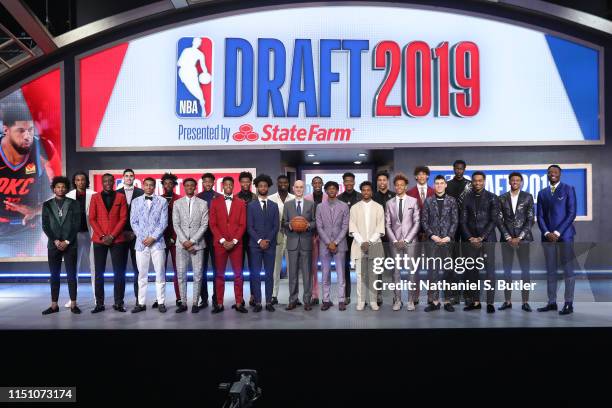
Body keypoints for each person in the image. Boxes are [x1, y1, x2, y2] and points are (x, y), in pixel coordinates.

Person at [0, 103, 50, 257]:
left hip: (26, 230)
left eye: (30, 130)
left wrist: (35, 210)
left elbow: (59, 197)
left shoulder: (41, 152)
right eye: (21, 131)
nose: (27, 136)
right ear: (6, 130)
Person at [536, 165, 577, 315]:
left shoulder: (568, 189)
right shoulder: (542, 193)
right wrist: (547, 232)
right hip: (547, 238)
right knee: (551, 270)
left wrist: (557, 232)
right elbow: (539, 216)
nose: (552, 174)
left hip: (565, 236)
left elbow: (571, 213)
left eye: (555, 172)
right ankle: (552, 302)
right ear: (547, 174)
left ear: (560, 174)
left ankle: (568, 303)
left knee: (568, 270)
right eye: (550, 172)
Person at [460, 171, 500, 314]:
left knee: (490, 272)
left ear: (484, 181)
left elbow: (494, 220)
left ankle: (490, 303)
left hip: (487, 239)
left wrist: (481, 237)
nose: (477, 183)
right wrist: (470, 237)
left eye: (480, 180)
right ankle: (475, 302)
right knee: (472, 272)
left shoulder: (492, 198)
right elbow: (462, 221)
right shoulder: (466, 198)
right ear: (472, 182)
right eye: (475, 181)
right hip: (470, 240)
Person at [41, 176, 82, 315]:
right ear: (54, 188)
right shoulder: (47, 205)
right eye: (58, 187)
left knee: (71, 275)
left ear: (66, 188)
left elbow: (77, 224)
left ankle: (74, 304)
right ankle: (54, 305)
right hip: (53, 245)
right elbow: (45, 225)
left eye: (63, 187)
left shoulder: (74, 203)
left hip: (70, 244)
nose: (60, 189)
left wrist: (67, 241)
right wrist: (55, 240)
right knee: (54, 275)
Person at [89, 173, 129, 313]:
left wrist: (112, 235)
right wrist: (103, 236)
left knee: (119, 273)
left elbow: (123, 218)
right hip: (99, 240)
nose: (107, 183)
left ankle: (119, 303)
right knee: (99, 273)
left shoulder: (121, 197)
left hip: (117, 239)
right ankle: (99, 304)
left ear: (113, 182)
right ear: (102, 182)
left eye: (110, 180)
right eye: (105, 180)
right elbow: (92, 218)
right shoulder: (94, 197)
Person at [209, 176, 247, 314]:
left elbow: (243, 224)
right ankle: (219, 303)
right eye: (226, 185)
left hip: (236, 244)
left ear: (233, 186)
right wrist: (222, 241)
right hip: (220, 244)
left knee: (238, 274)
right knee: (219, 274)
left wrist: (234, 241)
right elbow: (212, 224)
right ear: (222, 186)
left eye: (231, 185)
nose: (229, 187)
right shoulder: (215, 202)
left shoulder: (241, 202)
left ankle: (238, 302)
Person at [420, 175, 459, 312]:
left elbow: (455, 221)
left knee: (448, 272)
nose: (439, 185)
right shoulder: (428, 201)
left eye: (442, 183)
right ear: (434, 185)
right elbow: (424, 221)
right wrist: (433, 236)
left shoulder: (452, 201)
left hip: (448, 242)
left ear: (445, 185)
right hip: (433, 242)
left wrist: (449, 236)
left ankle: (448, 301)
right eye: (437, 183)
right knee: (433, 273)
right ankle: (435, 302)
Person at [130, 178, 168, 313]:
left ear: (154, 187)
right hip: (141, 243)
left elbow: (163, 223)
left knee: (160, 273)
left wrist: (152, 238)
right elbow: (133, 222)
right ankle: (141, 303)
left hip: (157, 243)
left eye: (151, 185)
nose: (148, 187)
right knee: (142, 274)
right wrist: (143, 238)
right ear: (143, 186)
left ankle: (161, 302)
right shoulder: (135, 201)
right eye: (146, 185)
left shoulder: (162, 201)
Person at [498, 172, 534, 312]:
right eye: (512, 180)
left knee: (525, 271)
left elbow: (530, 219)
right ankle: (508, 301)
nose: (515, 182)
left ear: (521, 182)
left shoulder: (528, 197)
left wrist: (519, 237)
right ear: (509, 182)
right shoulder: (502, 198)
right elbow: (499, 221)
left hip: (523, 240)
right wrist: (508, 237)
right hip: (506, 240)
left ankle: (525, 302)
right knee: (507, 271)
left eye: (517, 180)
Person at [385, 173, 420, 311]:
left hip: (410, 242)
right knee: (396, 272)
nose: (399, 187)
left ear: (406, 186)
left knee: (412, 272)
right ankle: (398, 300)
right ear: (395, 186)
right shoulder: (389, 203)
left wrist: (406, 239)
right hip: (395, 243)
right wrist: (394, 240)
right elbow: (387, 224)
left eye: (402, 185)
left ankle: (411, 300)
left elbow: (417, 222)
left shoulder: (413, 201)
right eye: (397, 185)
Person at [173, 178, 208, 313]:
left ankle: (195, 303)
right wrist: (185, 242)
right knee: (181, 275)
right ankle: (183, 303)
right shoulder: (177, 203)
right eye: (187, 185)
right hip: (181, 245)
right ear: (184, 187)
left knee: (198, 275)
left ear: (195, 187)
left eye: (191, 185)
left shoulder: (203, 203)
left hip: (197, 245)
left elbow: (204, 224)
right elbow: (176, 224)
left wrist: (192, 241)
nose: (189, 187)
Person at [349, 181, 385, 311]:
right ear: (361, 191)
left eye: (368, 190)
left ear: (371, 191)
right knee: (360, 275)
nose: (366, 192)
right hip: (359, 245)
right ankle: (361, 301)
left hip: (374, 245)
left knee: (374, 275)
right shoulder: (354, 207)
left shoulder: (379, 207)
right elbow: (353, 228)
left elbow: (380, 228)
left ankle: (373, 302)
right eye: (363, 190)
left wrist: (369, 242)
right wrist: (362, 242)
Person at [247, 174, 279, 312]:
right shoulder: (251, 206)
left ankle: (269, 302)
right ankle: (258, 302)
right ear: (257, 187)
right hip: (255, 245)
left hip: (270, 245)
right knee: (255, 274)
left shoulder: (274, 205)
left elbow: (275, 226)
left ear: (268, 187)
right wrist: (260, 241)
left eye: (265, 186)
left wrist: (267, 241)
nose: (263, 188)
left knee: (269, 274)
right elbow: (249, 226)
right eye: (260, 186)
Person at [316, 181, 350, 311]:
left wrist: (335, 242)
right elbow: (319, 226)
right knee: (325, 273)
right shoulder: (319, 206)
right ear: (326, 191)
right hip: (325, 245)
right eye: (329, 188)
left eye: (334, 188)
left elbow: (345, 226)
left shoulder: (344, 206)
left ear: (337, 190)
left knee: (341, 274)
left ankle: (341, 300)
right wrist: (328, 242)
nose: (331, 190)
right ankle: (326, 300)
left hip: (340, 244)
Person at [283, 180, 316, 310]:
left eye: (301, 187)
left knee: (307, 273)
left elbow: (314, 222)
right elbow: (284, 222)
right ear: (293, 188)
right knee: (292, 274)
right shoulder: (288, 204)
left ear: (304, 189)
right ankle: (293, 300)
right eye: (296, 187)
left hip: (306, 242)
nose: (298, 189)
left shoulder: (311, 204)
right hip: (292, 242)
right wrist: (290, 225)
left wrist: (308, 225)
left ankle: (307, 300)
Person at [64, 171, 96, 307]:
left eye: (83, 180)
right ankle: (72, 299)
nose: (80, 182)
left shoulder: (94, 195)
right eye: (77, 180)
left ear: (86, 181)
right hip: (74, 236)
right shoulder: (68, 196)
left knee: (94, 267)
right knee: (73, 268)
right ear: (74, 181)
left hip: (91, 234)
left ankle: (97, 299)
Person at [407, 165, 434, 304]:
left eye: (424, 174)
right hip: (414, 235)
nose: (422, 176)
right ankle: (414, 296)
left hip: (431, 235)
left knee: (431, 266)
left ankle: (431, 295)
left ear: (428, 176)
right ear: (416, 177)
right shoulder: (409, 192)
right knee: (414, 267)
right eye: (419, 174)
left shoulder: (434, 192)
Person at [446, 160, 471, 305]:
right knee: (453, 261)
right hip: (453, 226)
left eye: (461, 169)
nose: (459, 171)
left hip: (467, 226)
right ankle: (454, 294)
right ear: (453, 169)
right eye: (457, 168)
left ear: (464, 169)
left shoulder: (469, 184)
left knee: (468, 260)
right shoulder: (448, 185)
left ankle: (468, 294)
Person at [116, 169, 144, 301]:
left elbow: (144, 216)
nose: (129, 178)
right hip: (120, 235)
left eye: (131, 176)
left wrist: (135, 232)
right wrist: (120, 231)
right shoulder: (116, 193)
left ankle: (139, 299)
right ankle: (119, 301)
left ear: (134, 178)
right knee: (120, 270)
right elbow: (114, 217)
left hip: (136, 236)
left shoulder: (141, 193)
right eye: (126, 176)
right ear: (123, 178)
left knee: (138, 269)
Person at [268, 175, 295, 305]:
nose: (283, 184)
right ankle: (274, 295)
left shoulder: (294, 198)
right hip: (276, 236)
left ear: (288, 184)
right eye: (280, 182)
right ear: (277, 184)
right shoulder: (271, 198)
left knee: (292, 268)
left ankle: (293, 296)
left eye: (285, 182)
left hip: (292, 236)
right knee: (275, 268)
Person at [196, 172, 222, 308]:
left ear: (213, 182)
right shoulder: (197, 197)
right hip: (201, 237)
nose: (207, 184)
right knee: (201, 269)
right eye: (205, 181)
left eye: (209, 181)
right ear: (202, 182)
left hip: (216, 237)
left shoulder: (219, 197)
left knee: (217, 269)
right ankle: (204, 299)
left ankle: (216, 298)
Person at [337, 172, 362, 305]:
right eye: (346, 181)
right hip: (344, 238)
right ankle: (346, 295)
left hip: (359, 237)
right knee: (344, 266)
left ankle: (362, 296)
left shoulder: (361, 196)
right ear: (343, 183)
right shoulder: (338, 198)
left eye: (351, 181)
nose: (348, 183)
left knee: (361, 267)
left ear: (354, 182)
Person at [157, 172, 181, 308]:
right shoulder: (157, 199)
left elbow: (182, 222)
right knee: (160, 270)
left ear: (174, 185)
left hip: (175, 240)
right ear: (163, 185)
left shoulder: (179, 199)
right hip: (159, 240)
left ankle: (179, 298)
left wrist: (173, 238)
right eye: (165, 183)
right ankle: (160, 299)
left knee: (178, 270)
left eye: (170, 183)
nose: (168, 185)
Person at [372, 170, 396, 306]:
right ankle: (378, 295)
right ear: (377, 182)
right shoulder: (373, 197)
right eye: (379, 180)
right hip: (377, 238)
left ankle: (395, 295)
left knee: (394, 269)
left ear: (387, 181)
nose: (382, 182)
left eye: (384, 180)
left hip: (392, 238)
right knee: (378, 268)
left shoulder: (394, 196)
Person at [305, 176, 326, 305]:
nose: (317, 184)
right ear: (312, 184)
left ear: (322, 184)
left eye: (319, 182)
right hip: (311, 236)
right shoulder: (307, 199)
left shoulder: (328, 197)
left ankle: (326, 296)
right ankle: (315, 294)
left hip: (325, 237)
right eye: (315, 182)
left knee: (325, 267)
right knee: (312, 267)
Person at [236, 171, 257, 307]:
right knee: (239, 270)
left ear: (250, 183)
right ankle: (240, 298)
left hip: (252, 237)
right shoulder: (235, 197)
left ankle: (253, 296)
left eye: (247, 181)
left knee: (254, 269)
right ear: (240, 183)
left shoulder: (255, 197)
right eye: (243, 181)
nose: (245, 184)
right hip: (238, 238)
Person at [177, 37, 210, 117]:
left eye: (199, 42)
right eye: (196, 41)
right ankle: (201, 101)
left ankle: (203, 107)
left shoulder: (200, 54)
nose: (197, 43)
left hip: (192, 72)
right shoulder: (186, 50)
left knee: (196, 89)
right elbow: (179, 63)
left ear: (199, 44)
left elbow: (203, 66)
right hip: (183, 72)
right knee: (190, 88)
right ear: (193, 42)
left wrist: (206, 73)